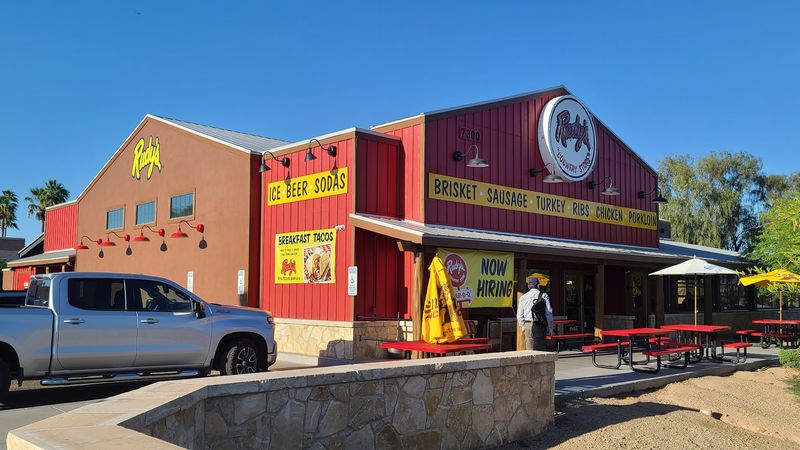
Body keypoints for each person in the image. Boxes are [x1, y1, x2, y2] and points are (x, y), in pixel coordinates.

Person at [516, 276, 553, 351]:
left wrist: (523, 326)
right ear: (538, 285)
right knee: (540, 350)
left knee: (529, 350)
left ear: (529, 286)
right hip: (539, 325)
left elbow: (519, 315)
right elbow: (548, 313)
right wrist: (550, 328)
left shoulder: (523, 297)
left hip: (527, 324)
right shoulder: (544, 295)